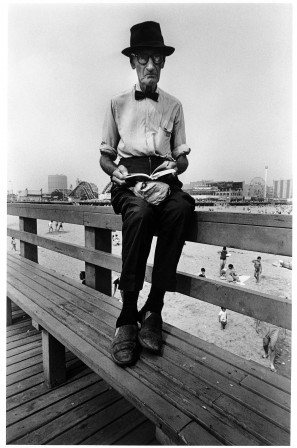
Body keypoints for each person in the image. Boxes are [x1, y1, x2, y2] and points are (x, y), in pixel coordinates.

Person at [100, 21, 195, 365]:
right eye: (143, 59)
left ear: (164, 62)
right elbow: (105, 157)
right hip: (129, 184)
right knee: (138, 214)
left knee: (181, 210)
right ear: (132, 62)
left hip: (163, 180)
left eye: (156, 59)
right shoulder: (116, 104)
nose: (150, 66)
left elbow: (181, 159)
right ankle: (127, 315)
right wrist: (118, 172)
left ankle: (154, 308)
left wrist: (169, 175)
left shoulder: (175, 106)